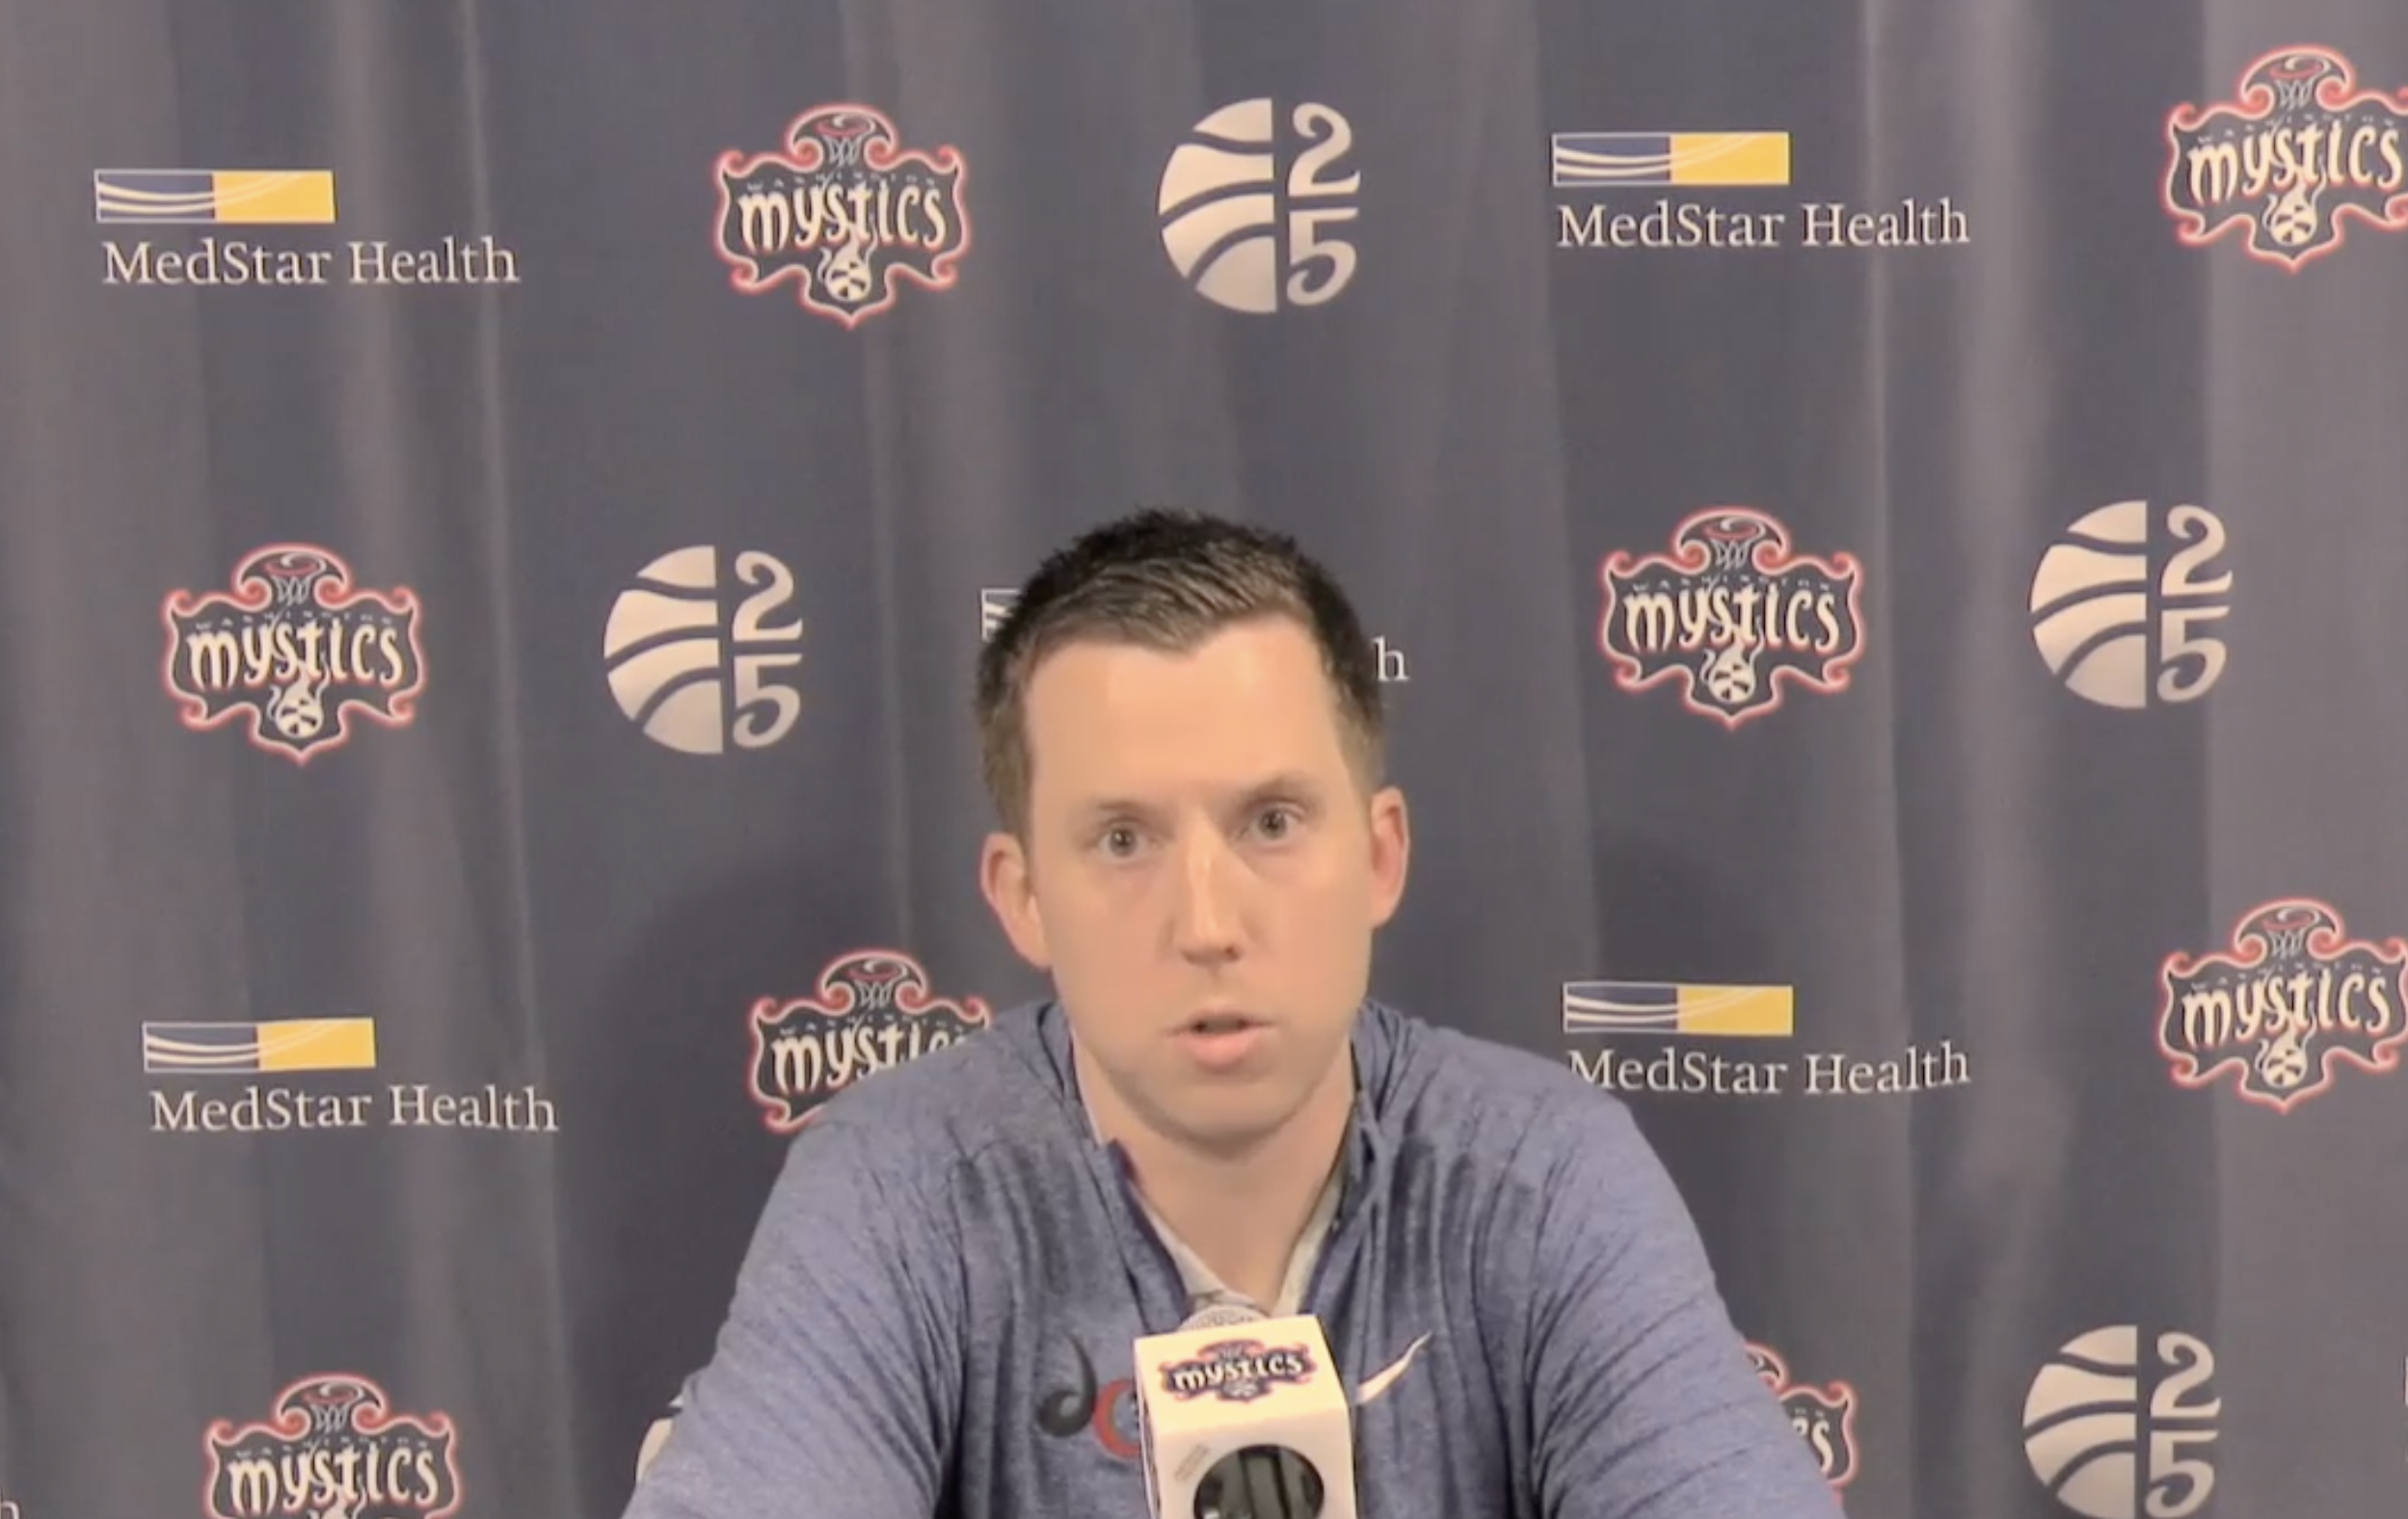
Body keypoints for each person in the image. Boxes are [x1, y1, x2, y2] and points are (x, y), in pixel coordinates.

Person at [622, 508, 1837, 1518]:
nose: (1205, 920)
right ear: (1023, 896)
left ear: (1376, 857)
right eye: (1120, 839)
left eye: (1269, 823)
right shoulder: (898, 1192)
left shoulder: (1544, 1177)